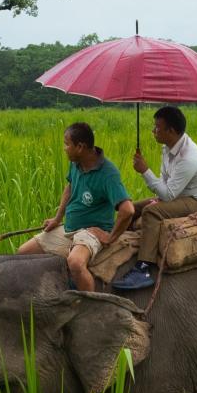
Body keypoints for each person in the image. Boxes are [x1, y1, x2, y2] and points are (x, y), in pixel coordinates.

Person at [18, 122, 134, 292]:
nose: (64, 148)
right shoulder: (76, 163)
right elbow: (70, 187)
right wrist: (57, 218)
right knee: (22, 253)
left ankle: (91, 308)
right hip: (69, 228)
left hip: (90, 232)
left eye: (67, 144)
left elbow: (128, 210)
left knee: (76, 263)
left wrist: (110, 238)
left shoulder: (108, 174)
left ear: (80, 147)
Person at [111, 106, 197, 290]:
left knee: (151, 212)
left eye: (158, 128)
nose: (153, 131)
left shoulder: (189, 156)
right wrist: (158, 196)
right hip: (179, 196)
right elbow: (165, 184)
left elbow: (168, 194)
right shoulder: (167, 149)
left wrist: (144, 171)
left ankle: (143, 268)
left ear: (172, 131)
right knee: (130, 207)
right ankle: (119, 240)